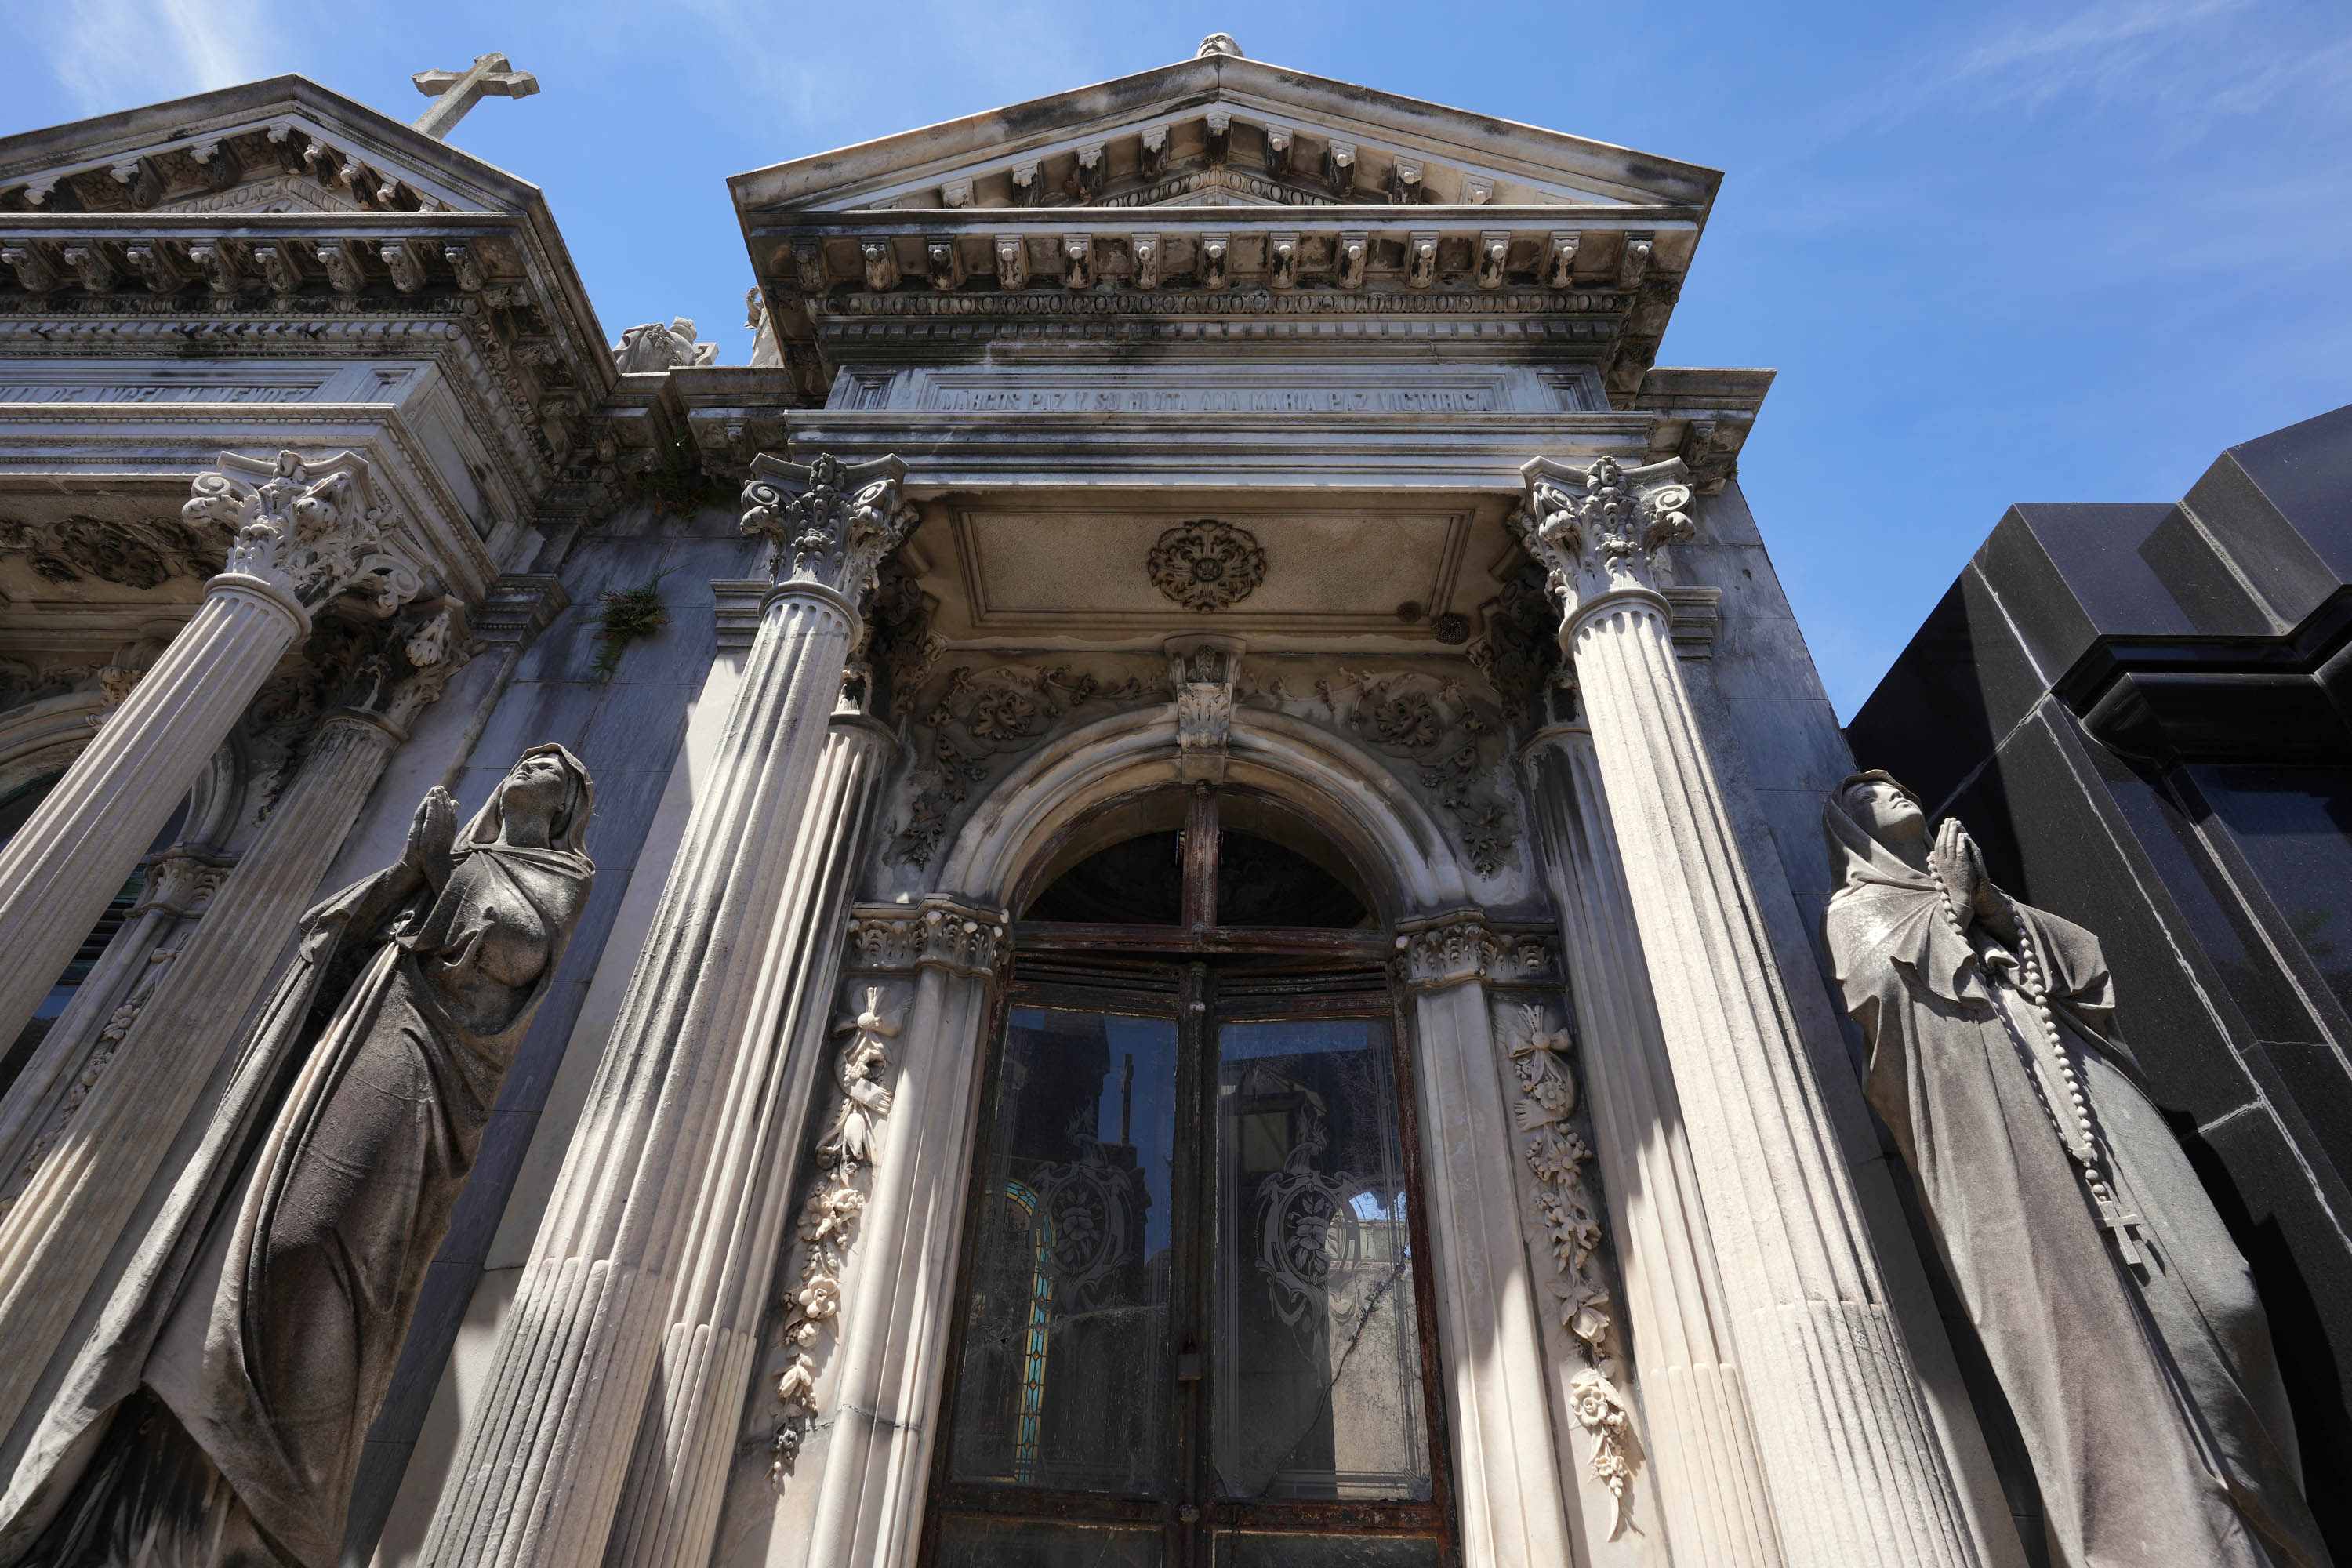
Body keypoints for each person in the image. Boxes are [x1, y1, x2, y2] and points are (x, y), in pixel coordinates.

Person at [1, 746, 594, 1568]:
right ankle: (156, 1478)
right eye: (528, 754)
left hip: (429, 1061)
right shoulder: (464, 853)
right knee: (239, 1254)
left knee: (307, 1243)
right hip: (357, 1032)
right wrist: (412, 871)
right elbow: (338, 928)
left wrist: (437, 869)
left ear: (567, 804)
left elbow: (517, 952)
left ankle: (260, 1506)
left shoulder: (558, 873)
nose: (533, 764)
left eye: (552, 767)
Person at [1822, 771, 2327, 1568]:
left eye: (1889, 782)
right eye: (1863, 797)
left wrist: (1990, 907)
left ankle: (2279, 1525)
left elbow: (2086, 970)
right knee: (2099, 1369)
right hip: (2012, 1151)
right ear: (1849, 834)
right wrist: (1952, 912)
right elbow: (1888, 1007)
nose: (1885, 791)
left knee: (2226, 1294)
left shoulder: (1981, 889)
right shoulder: (1857, 913)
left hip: (2096, 1107)